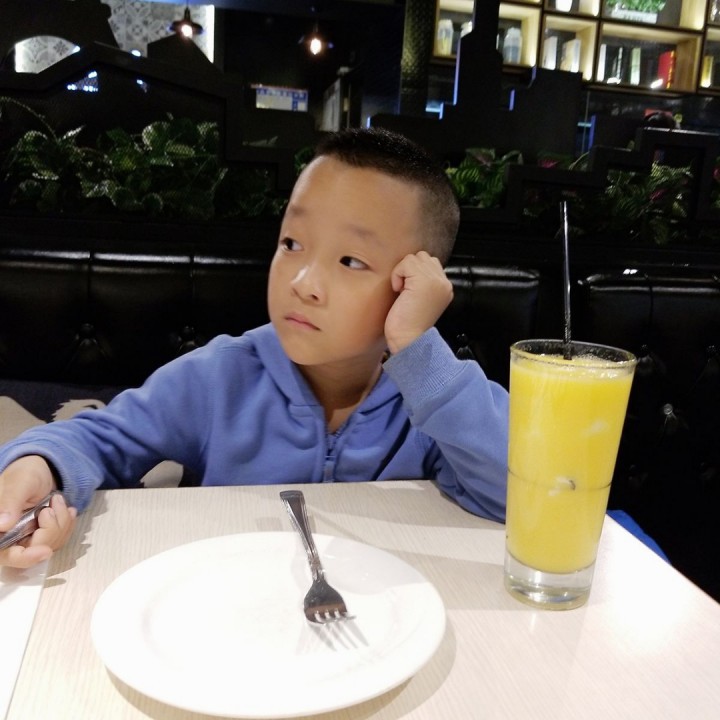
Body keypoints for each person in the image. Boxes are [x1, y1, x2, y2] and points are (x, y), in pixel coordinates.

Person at [0, 127, 508, 569]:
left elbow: (519, 497)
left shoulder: (435, 403)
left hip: (384, 610)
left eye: (351, 261)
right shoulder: (219, 378)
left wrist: (419, 350)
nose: (303, 282)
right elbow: (99, 439)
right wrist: (38, 466)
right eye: (292, 244)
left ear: (411, 286)